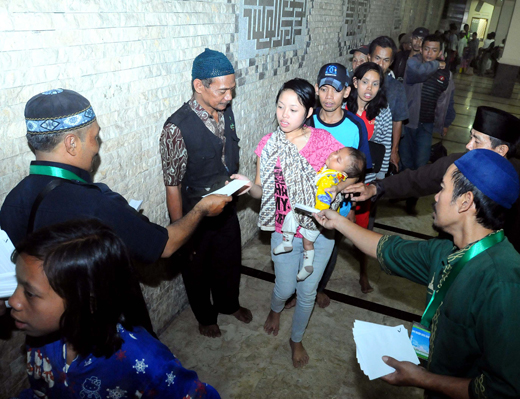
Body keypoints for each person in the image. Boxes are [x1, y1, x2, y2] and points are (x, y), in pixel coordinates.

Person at [315, 149, 520, 399]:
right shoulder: (449, 250)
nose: (435, 197)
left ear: (465, 202)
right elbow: (387, 249)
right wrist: (339, 222)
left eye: (442, 189)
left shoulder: (509, 290)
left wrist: (423, 379)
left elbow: (508, 392)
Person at [0, 89, 231, 334]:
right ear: (71, 143)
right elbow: (166, 245)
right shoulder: (94, 204)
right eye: (94, 137)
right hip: (102, 337)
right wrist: (201, 209)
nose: (96, 148)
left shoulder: (13, 199)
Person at [9, 219, 220, 398]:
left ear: (86, 301)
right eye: (17, 283)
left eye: (29, 293)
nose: (13, 301)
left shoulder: (147, 363)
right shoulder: (38, 334)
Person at [344, 106, 520, 266]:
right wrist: (376, 189)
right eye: (470, 137)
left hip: (493, 268)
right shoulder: (459, 163)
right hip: (450, 257)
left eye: (476, 140)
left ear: (501, 150)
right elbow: (417, 179)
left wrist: (513, 272)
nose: (468, 145)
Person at [234, 78, 347, 368]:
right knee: (284, 289)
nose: (284, 114)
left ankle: (296, 339)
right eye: (281, 107)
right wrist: (249, 186)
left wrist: (338, 189)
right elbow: (262, 192)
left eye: (293, 109)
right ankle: (276, 308)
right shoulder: (269, 145)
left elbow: (346, 174)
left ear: (309, 112)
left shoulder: (326, 144)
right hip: (285, 229)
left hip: (320, 233)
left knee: (307, 291)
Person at [160, 48, 253, 339]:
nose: (229, 97)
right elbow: (172, 185)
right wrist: (181, 233)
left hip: (226, 208)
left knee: (229, 260)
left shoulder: (226, 111)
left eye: (232, 90)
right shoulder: (176, 128)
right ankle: (205, 316)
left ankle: (229, 304)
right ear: (199, 86)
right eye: (222, 91)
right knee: (196, 268)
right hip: (194, 216)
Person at [306, 62, 373, 308]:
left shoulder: (356, 126)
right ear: (316, 90)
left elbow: (359, 172)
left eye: (335, 90)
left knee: (329, 247)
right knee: (303, 246)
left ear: (346, 91)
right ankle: (296, 292)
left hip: (340, 206)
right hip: (307, 202)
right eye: (323, 89)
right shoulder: (308, 122)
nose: (329, 96)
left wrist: (340, 191)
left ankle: (317, 288)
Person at [273, 146, 365, 281]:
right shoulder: (334, 174)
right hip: (313, 213)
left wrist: (319, 212)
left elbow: (324, 198)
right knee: (293, 220)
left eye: (338, 159)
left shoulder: (330, 179)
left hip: (315, 217)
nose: (332, 155)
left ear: (344, 172)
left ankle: (305, 263)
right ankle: (294, 251)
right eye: (336, 152)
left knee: (305, 240)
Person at [345, 61, 393, 292]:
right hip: (338, 179)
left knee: (362, 230)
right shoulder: (343, 106)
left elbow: (384, 146)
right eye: (365, 82)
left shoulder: (382, 113)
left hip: (366, 181)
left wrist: (378, 182)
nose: (369, 88)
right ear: (355, 83)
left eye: (375, 84)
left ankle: (363, 272)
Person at [401, 34, 456, 214]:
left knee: (421, 163)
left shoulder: (446, 74)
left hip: (427, 125)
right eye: (426, 49)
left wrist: (446, 121)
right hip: (408, 122)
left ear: (440, 52)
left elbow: (448, 99)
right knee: (405, 161)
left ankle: (412, 198)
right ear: (421, 49)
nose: (429, 53)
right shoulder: (413, 64)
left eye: (434, 50)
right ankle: (401, 191)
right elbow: (419, 73)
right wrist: (436, 64)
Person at [368, 36, 410, 174]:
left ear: (391, 62)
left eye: (386, 60)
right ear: (369, 57)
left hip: (381, 146)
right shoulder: (356, 82)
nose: (380, 64)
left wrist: (394, 150)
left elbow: (397, 121)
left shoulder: (396, 88)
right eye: (377, 58)